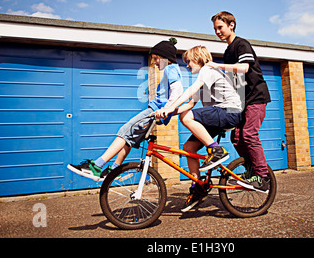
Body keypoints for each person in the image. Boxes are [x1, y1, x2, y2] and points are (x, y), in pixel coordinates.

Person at [68, 38, 183, 181]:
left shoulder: (171, 69)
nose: (154, 62)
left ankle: (96, 166)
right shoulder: (170, 70)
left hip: (154, 111)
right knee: (129, 140)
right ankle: (114, 169)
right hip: (156, 112)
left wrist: (166, 109)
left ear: (165, 57)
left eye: (156, 58)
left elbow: (177, 91)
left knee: (125, 131)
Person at [157, 45, 242, 211]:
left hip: (229, 112)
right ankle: (198, 186)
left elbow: (190, 91)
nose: (187, 65)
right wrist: (167, 113)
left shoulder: (207, 70)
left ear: (198, 59)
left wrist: (170, 106)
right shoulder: (204, 79)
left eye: (188, 61)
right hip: (219, 114)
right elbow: (190, 103)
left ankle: (216, 151)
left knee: (186, 117)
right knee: (189, 147)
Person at [208, 11, 271, 193]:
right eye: (215, 29)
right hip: (243, 101)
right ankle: (251, 170)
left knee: (249, 134)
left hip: (256, 98)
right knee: (236, 137)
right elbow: (232, 82)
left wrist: (217, 65)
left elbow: (243, 68)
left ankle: (262, 176)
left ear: (231, 25)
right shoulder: (228, 51)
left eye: (220, 27)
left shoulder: (241, 44)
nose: (217, 32)